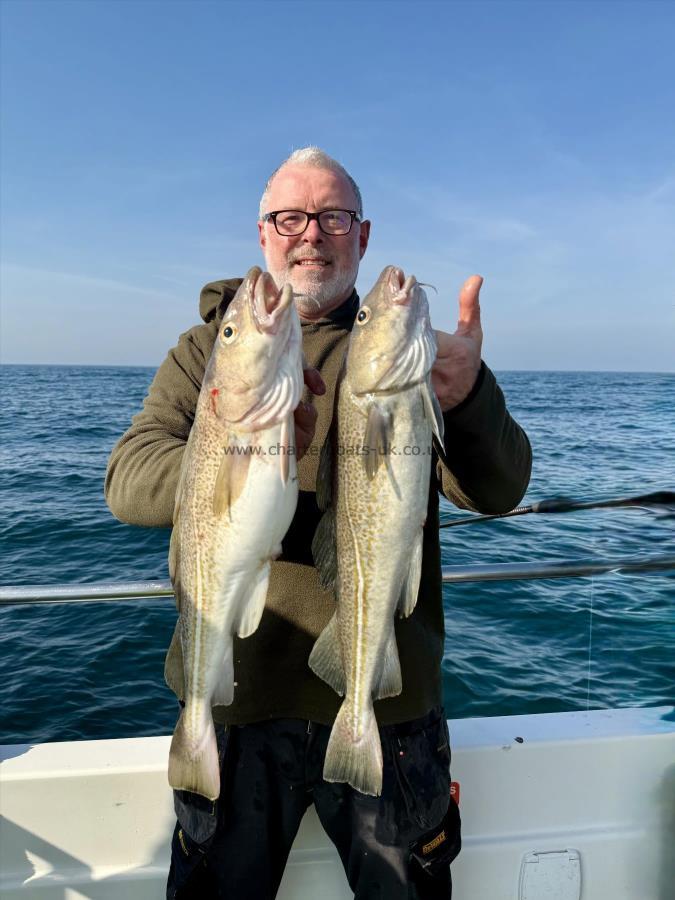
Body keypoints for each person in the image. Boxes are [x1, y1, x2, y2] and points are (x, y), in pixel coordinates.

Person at [105, 146, 532, 899]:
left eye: (332, 217)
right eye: (290, 217)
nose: (310, 234)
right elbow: (128, 483)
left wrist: (466, 399)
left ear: (361, 236)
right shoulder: (204, 351)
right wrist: (237, 445)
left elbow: (497, 491)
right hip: (237, 707)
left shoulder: (413, 354)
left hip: (390, 711)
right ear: (263, 232)